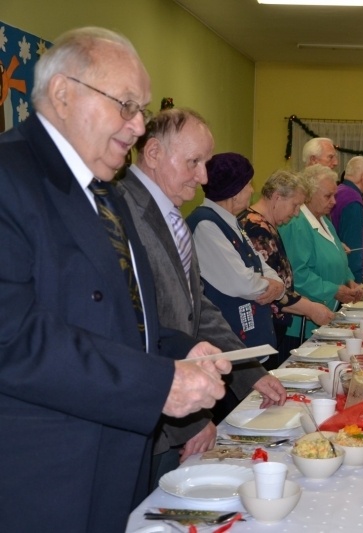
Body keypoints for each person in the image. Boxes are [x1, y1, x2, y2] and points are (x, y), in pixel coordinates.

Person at [0, 27, 230, 532]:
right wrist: (157, 384)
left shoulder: (106, 193)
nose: (137, 125)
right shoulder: (9, 176)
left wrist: (180, 349)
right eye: (126, 105)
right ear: (63, 94)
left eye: (141, 110)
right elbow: (13, 337)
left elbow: (124, 321)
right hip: (41, 478)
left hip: (114, 464)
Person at [119, 108, 286, 485]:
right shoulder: (121, 212)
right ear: (154, 154)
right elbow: (138, 329)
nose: (205, 176)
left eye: (205, 163)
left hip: (171, 416)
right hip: (152, 418)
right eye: (194, 161)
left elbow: (199, 310)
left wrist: (250, 375)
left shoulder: (171, 215)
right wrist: (190, 421)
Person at [187, 152, 285, 355]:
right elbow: (243, 283)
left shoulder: (231, 222)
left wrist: (278, 285)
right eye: (248, 184)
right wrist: (273, 286)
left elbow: (261, 265)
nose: (252, 191)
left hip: (251, 342)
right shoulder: (206, 225)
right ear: (235, 191)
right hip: (228, 346)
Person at [240, 169, 336, 363]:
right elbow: (268, 290)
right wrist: (310, 308)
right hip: (261, 331)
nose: (296, 212)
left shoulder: (266, 225)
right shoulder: (257, 228)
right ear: (277, 198)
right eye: (295, 205)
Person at [279, 164, 363, 340]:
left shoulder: (324, 220)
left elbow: (337, 256)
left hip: (325, 314)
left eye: (334, 195)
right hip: (302, 322)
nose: (333, 201)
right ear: (308, 195)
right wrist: (333, 290)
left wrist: (349, 281)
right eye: (328, 196)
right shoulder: (297, 223)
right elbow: (297, 275)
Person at [330, 155, 363, 283]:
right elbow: (353, 247)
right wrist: (356, 280)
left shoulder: (339, 191)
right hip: (346, 276)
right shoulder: (353, 199)